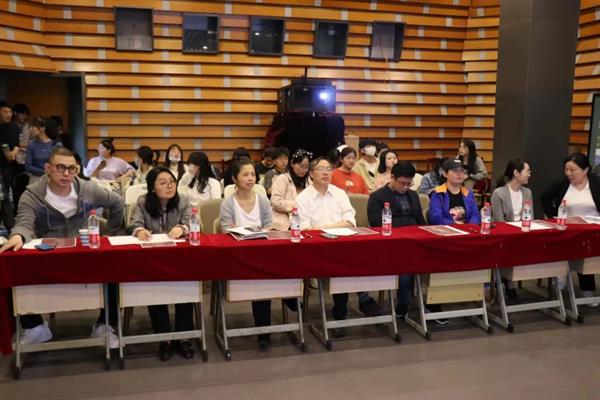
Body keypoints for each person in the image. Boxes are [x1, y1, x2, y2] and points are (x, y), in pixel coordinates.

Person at [0, 147, 124, 347]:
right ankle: (35, 327)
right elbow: (24, 221)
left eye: (72, 169)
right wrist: (17, 235)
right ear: (47, 168)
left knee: (114, 267)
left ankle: (104, 325)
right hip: (49, 257)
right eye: (60, 168)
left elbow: (117, 203)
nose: (66, 174)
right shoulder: (32, 194)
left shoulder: (88, 189)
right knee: (14, 266)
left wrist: (110, 233)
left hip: (84, 255)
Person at [295, 157, 382, 337]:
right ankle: (358, 302)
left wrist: (324, 228)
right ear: (311, 174)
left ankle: (343, 311)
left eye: (328, 169)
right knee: (342, 261)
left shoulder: (339, 193)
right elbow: (304, 229)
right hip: (317, 248)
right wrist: (334, 227)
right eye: (321, 169)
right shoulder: (303, 198)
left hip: (343, 244)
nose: (326, 172)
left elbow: (350, 221)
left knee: (355, 255)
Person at [220, 158, 293, 349]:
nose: (251, 178)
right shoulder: (228, 203)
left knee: (270, 271)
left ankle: (286, 301)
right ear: (234, 178)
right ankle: (268, 325)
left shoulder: (262, 200)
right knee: (261, 277)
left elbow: (269, 226)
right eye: (245, 175)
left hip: (261, 252)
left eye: (253, 174)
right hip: (238, 256)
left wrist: (256, 231)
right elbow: (227, 230)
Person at [127, 167, 195, 361]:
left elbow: (191, 222)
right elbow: (133, 224)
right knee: (154, 289)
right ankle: (163, 338)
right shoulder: (143, 202)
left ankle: (183, 338)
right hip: (152, 261)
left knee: (187, 286)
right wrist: (140, 230)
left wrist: (182, 228)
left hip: (180, 260)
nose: (169, 186)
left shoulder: (183, 200)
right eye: (163, 183)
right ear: (152, 187)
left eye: (172, 182)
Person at [368, 161, 426, 317]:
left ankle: (434, 302)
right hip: (391, 245)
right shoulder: (377, 197)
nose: (406, 187)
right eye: (402, 183)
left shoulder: (413, 195)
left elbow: (421, 221)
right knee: (405, 270)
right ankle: (403, 304)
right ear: (392, 178)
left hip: (414, 243)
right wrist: (408, 224)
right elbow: (376, 223)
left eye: (409, 183)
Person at [541, 153, 600, 305]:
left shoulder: (596, 184)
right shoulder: (562, 184)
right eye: (566, 169)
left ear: (585, 170)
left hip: (592, 232)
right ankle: (561, 277)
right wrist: (553, 217)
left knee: (586, 253)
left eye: (572, 170)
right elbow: (544, 197)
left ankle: (587, 289)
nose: (568, 173)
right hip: (568, 231)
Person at [490, 159, 533, 300]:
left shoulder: (527, 192)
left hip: (522, 235)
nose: (529, 174)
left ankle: (510, 280)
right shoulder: (498, 193)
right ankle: (507, 281)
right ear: (516, 173)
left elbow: (530, 218)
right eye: (527, 171)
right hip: (504, 237)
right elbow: (499, 221)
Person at [429, 159, 481, 225]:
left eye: (461, 170)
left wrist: (468, 227)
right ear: (445, 174)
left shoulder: (468, 193)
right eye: (455, 170)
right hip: (447, 230)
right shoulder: (438, 193)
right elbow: (436, 218)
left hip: (467, 229)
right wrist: (456, 226)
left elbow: (475, 215)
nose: (459, 174)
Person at [270, 148, 311, 231]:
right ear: (292, 163)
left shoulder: (309, 181)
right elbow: (275, 202)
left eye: (306, 167)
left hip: (304, 223)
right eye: (301, 166)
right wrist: (298, 205)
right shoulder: (283, 179)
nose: (303, 170)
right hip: (283, 224)